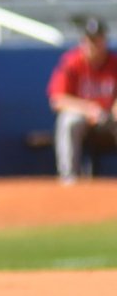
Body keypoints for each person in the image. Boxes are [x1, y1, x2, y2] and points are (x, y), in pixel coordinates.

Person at [46, 16, 117, 185]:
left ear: (104, 40)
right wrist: (87, 109)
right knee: (69, 121)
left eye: (97, 40)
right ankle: (69, 178)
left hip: (110, 119)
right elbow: (56, 99)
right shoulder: (72, 62)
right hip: (84, 118)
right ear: (83, 41)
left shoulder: (114, 63)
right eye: (90, 41)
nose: (93, 45)